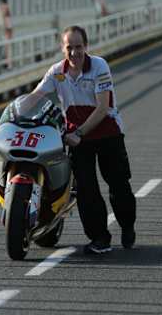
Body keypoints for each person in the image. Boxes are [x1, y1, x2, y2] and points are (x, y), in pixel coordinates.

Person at [23, 25, 136, 254]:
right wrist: (4, 121)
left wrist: (79, 133)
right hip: (78, 139)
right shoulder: (57, 72)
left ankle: (127, 226)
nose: (74, 53)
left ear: (86, 46)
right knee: (85, 190)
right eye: (69, 48)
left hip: (107, 132)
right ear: (62, 48)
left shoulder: (99, 66)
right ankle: (100, 238)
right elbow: (35, 96)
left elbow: (102, 108)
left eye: (79, 47)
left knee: (118, 184)